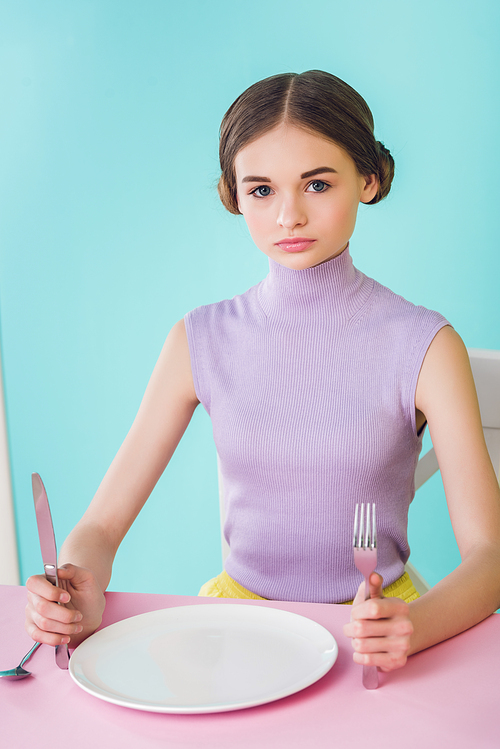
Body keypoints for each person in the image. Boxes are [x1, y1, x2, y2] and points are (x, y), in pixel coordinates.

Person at [25, 71, 500, 673]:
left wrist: (414, 625)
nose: (288, 216)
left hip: (379, 627)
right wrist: (80, 585)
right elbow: (99, 526)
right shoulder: (199, 340)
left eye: (318, 183)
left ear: (369, 180)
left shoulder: (427, 345)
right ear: (234, 196)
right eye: (261, 191)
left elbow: (490, 557)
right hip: (239, 630)